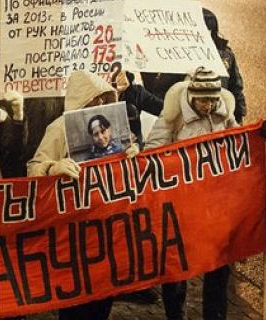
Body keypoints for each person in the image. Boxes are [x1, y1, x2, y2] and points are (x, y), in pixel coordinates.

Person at [28, 69, 140, 320]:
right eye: (94, 99)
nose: (100, 104)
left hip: (107, 228)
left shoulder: (110, 127)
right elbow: (33, 169)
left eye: (103, 99)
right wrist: (52, 167)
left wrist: (133, 153)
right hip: (73, 231)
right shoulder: (58, 128)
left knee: (102, 299)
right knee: (74, 302)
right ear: (81, 99)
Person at [144, 67, 237, 320]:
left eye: (213, 100)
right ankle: (176, 315)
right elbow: (153, 149)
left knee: (219, 265)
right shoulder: (174, 115)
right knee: (177, 264)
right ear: (192, 97)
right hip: (181, 205)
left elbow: (237, 144)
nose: (208, 106)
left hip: (214, 205)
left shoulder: (225, 114)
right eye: (203, 100)